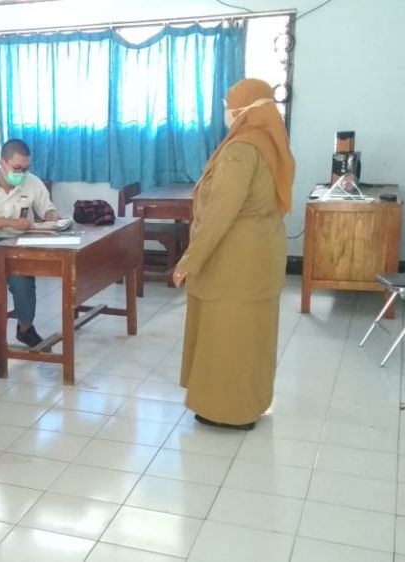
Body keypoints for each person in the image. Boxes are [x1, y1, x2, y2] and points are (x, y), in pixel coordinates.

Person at [172, 78, 295, 430]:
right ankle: (251, 401)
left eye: (229, 105)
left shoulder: (241, 150)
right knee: (252, 335)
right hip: (261, 256)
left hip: (233, 264)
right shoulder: (272, 143)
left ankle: (228, 411)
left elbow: (219, 215)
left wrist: (188, 261)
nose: (226, 112)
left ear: (242, 110)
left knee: (228, 336)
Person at [0, 139, 60, 348]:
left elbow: (47, 210)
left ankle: (25, 329)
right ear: (2, 163)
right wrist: (11, 222)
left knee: (22, 283)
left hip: (19, 244)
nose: (21, 173)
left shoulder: (32, 182)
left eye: (25, 168)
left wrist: (53, 216)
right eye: (17, 168)